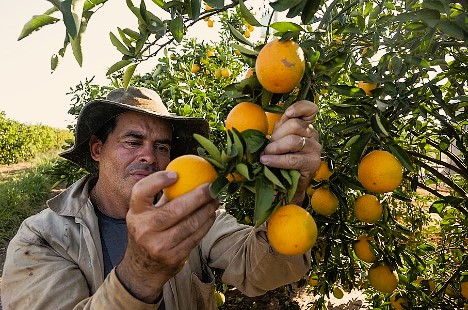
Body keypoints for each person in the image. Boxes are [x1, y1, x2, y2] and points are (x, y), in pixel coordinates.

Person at [1, 87, 321, 309]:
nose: (149, 157)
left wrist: (293, 191)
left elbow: (260, 268)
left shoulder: (190, 215)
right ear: (98, 149)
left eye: (162, 146)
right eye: (133, 141)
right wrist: (140, 274)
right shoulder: (43, 238)